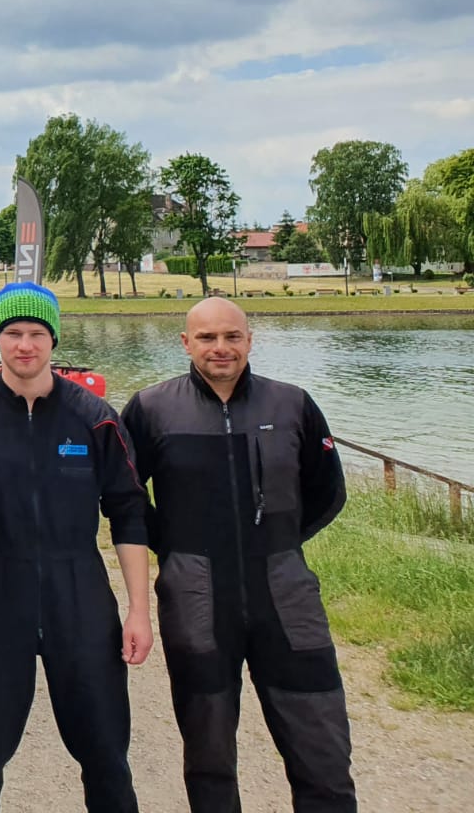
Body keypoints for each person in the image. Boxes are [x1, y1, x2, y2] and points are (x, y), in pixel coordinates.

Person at [0, 282, 152, 813]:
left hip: (79, 588)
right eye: (12, 333)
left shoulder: (95, 417)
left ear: (53, 339)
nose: (24, 345)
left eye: (36, 333)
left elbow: (128, 513)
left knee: (105, 750)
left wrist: (140, 611)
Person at [122, 297, 354, 811]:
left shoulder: (292, 404)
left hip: (286, 596)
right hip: (196, 601)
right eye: (207, 338)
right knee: (209, 759)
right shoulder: (151, 409)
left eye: (232, 336)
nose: (220, 347)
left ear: (250, 340)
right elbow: (126, 499)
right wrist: (175, 545)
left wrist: (277, 542)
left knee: (323, 753)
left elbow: (327, 491)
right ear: (186, 343)